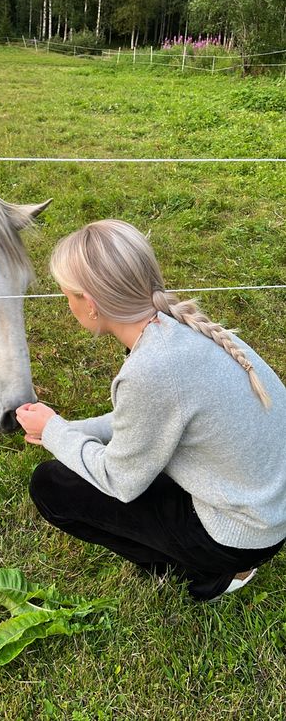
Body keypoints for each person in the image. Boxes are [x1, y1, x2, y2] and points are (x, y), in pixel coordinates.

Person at [15, 219, 286, 602]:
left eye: (68, 297)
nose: (68, 305)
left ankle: (212, 574)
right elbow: (145, 422)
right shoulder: (181, 327)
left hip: (241, 536)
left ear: (90, 305)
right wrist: (66, 428)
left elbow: (121, 482)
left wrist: (56, 433)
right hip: (270, 507)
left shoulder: (152, 369)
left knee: (53, 485)